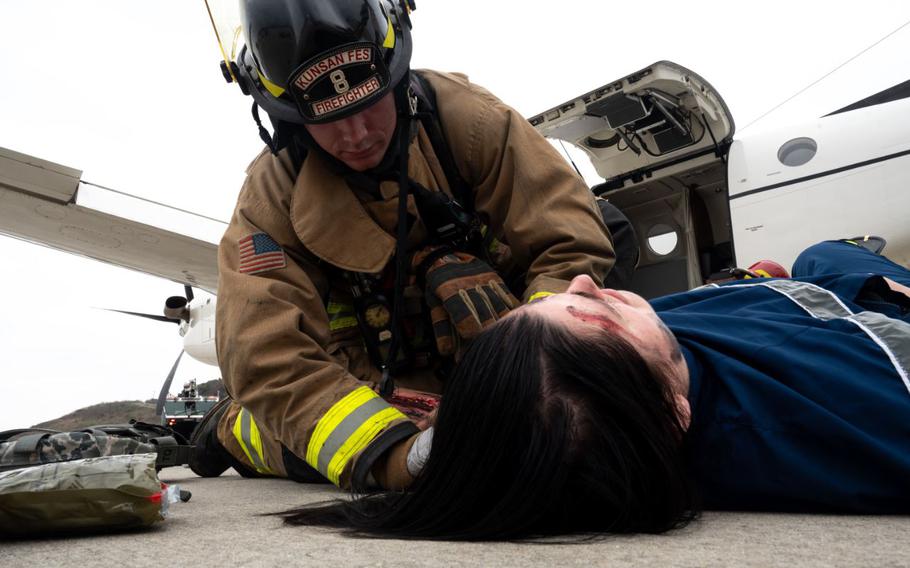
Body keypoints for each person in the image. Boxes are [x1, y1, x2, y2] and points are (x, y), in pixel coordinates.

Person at [189, 0, 623, 491]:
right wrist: (398, 458)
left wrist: (534, 371)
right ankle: (228, 430)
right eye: (325, 118)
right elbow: (263, 353)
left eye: (367, 102)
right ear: (286, 115)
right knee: (283, 429)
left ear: (395, 71)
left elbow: (570, 245)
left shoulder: (471, 123)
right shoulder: (270, 199)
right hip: (355, 388)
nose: (354, 135)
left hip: (488, 366)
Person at [277, 239, 910, 539]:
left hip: (792, 297)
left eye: (544, 306)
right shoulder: (862, 411)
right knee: (828, 252)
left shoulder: (613, 376)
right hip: (857, 299)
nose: (582, 280)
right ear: (673, 416)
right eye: (596, 315)